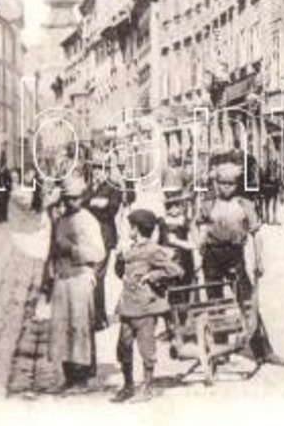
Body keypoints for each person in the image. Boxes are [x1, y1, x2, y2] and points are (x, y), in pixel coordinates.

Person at [197, 160, 284, 368]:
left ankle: (263, 351)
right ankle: (220, 350)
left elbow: (256, 234)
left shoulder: (245, 205)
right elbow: (200, 227)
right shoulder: (208, 204)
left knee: (247, 302)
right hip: (211, 256)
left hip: (234, 255)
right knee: (215, 304)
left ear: (236, 184)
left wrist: (258, 259)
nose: (226, 187)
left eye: (231, 184)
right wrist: (199, 245)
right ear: (216, 183)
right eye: (222, 183)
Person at [112, 208, 183, 403]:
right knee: (123, 346)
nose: (129, 230)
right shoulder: (131, 249)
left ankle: (148, 387)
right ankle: (128, 386)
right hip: (127, 305)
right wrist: (119, 260)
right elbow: (122, 274)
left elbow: (176, 270)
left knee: (146, 349)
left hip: (145, 307)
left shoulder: (153, 250)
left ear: (137, 228)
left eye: (131, 227)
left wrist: (152, 276)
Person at [44, 174, 107, 390]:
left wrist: (72, 249)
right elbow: (52, 250)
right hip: (63, 277)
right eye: (68, 198)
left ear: (81, 198)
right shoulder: (60, 220)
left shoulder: (88, 220)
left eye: (76, 198)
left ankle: (84, 373)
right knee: (63, 325)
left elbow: (99, 252)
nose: (72, 202)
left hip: (80, 276)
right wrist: (49, 275)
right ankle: (68, 372)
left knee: (80, 324)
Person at [84, 163, 125, 332]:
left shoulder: (113, 188)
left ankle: (99, 319)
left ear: (106, 172)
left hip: (104, 236)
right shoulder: (89, 188)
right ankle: (94, 316)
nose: (96, 174)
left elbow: (111, 210)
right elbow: (82, 204)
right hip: (89, 237)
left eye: (99, 171)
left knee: (97, 276)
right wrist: (96, 202)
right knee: (91, 277)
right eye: (94, 171)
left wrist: (96, 204)